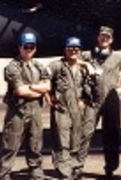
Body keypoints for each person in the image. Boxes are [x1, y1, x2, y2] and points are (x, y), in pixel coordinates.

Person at [82, 26, 121, 179]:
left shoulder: (118, 57)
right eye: (102, 36)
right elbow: (74, 59)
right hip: (92, 99)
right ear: (98, 38)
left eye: (107, 37)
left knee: (111, 134)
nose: (104, 39)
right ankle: (77, 166)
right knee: (85, 132)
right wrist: (85, 65)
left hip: (110, 98)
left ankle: (110, 168)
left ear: (111, 40)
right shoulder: (88, 55)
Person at [0, 32, 50, 180]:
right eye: (26, 46)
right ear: (19, 47)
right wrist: (37, 89)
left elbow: (48, 86)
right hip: (18, 111)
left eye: (32, 47)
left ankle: (36, 170)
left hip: (35, 110)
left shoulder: (38, 66)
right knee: (11, 143)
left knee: (36, 142)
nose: (29, 49)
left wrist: (31, 88)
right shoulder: (12, 67)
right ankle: (3, 173)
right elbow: (20, 90)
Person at [45, 37, 94, 180]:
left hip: (77, 110)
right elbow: (44, 81)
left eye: (76, 49)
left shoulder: (83, 68)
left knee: (75, 141)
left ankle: (73, 168)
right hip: (61, 109)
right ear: (65, 50)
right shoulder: (56, 66)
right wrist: (48, 99)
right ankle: (64, 172)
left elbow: (92, 83)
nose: (73, 51)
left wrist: (84, 100)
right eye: (70, 49)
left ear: (80, 51)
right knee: (62, 141)